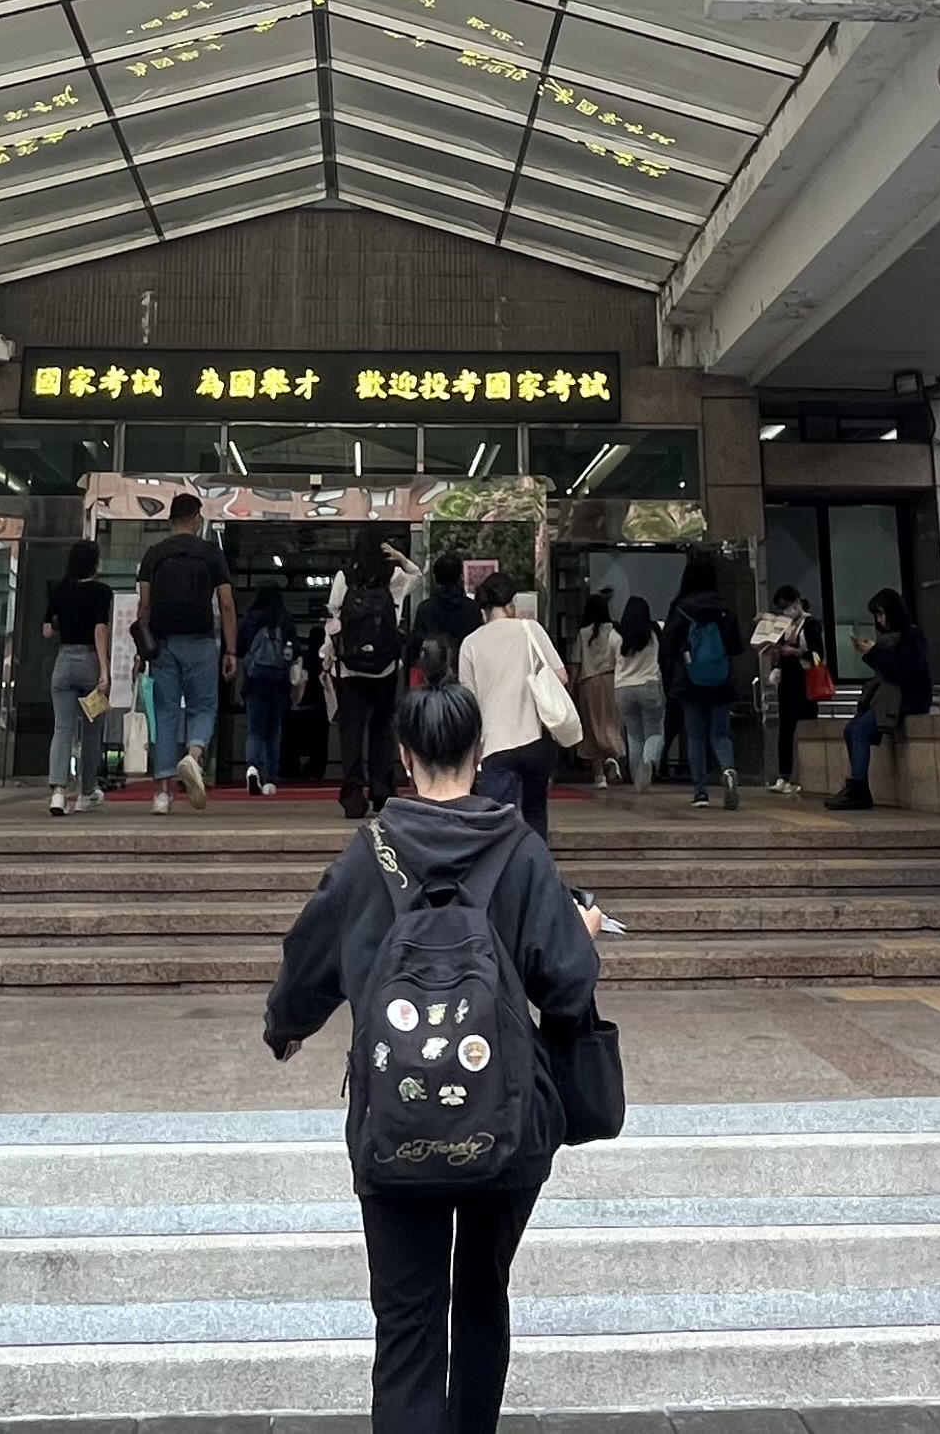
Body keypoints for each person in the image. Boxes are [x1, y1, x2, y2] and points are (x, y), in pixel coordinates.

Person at [265, 682, 605, 1434]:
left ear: (404, 756)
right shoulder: (521, 851)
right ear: (479, 754)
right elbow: (566, 983)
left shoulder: (369, 855)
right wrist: (579, 934)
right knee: (482, 1298)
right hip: (505, 1120)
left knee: (408, 1320)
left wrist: (286, 1026)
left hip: (395, 1121)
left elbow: (309, 957)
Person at [456, 576, 582, 840]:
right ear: (511, 604)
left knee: (497, 819)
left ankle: (503, 863)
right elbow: (560, 676)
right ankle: (536, 861)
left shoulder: (471, 643)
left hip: (495, 743)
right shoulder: (530, 629)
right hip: (536, 738)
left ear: (483, 609)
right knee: (535, 809)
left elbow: (468, 699)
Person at [136, 494, 235, 813]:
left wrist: (142, 650)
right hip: (201, 641)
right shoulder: (211, 554)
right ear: (196, 518)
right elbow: (226, 603)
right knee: (203, 707)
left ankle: (162, 795)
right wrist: (231, 649)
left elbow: (144, 606)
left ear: (170, 519)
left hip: (163, 644)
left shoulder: (154, 554)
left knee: (165, 714)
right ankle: (193, 755)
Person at [824, 588, 933, 814]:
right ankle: (856, 785)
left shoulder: (910, 638)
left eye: (881, 614)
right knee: (851, 730)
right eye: (876, 615)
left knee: (858, 731)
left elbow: (900, 670)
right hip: (887, 699)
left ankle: (858, 788)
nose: (879, 620)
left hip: (904, 699)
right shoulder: (891, 640)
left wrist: (873, 652)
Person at [329, 542, 410, 819]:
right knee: (382, 729)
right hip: (385, 667)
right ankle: (382, 791)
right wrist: (400, 558)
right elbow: (418, 576)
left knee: (351, 733)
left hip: (350, 669)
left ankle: (353, 798)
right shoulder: (393, 576)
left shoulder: (345, 577)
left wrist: (329, 655)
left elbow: (333, 616)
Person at [38, 539, 115, 815]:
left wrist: (65, 622)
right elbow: (100, 631)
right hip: (90, 661)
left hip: (64, 661)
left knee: (62, 729)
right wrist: (104, 672)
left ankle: (58, 792)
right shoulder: (102, 591)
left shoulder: (59, 590)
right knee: (93, 732)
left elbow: (47, 630)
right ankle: (87, 791)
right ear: (94, 562)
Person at [666, 557, 741, 809]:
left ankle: (700, 792)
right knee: (720, 734)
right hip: (721, 681)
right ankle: (728, 770)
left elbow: (668, 646)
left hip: (690, 682)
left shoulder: (681, 608)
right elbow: (736, 647)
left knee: (696, 736)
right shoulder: (725, 609)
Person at [753, 587, 818, 796]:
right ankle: (784, 775)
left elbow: (819, 656)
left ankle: (805, 775)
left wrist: (797, 652)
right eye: (782, 608)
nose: (786, 611)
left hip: (805, 682)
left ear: (797, 602)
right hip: (788, 682)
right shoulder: (784, 626)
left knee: (805, 727)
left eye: (788, 606)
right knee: (785, 729)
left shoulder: (811, 625)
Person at [608, 596, 668, 793]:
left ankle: (639, 781)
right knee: (655, 731)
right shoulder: (654, 630)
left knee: (634, 736)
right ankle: (650, 759)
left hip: (623, 688)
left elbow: (611, 661)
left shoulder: (615, 635)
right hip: (649, 685)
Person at [242, 603, 302, 797]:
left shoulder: (250, 621)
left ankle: (252, 767)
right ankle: (270, 779)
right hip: (278, 683)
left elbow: (240, 648)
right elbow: (296, 652)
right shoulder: (285, 621)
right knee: (274, 729)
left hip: (254, 683)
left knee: (255, 729)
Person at [567, 591, 623, 785]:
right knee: (611, 724)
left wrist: (571, 688)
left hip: (589, 684)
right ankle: (612, 756)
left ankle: (599, 776)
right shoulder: (614, 632)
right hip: (611, 681)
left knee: (591, 728)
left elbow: (576, 663)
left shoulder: (583, 633)